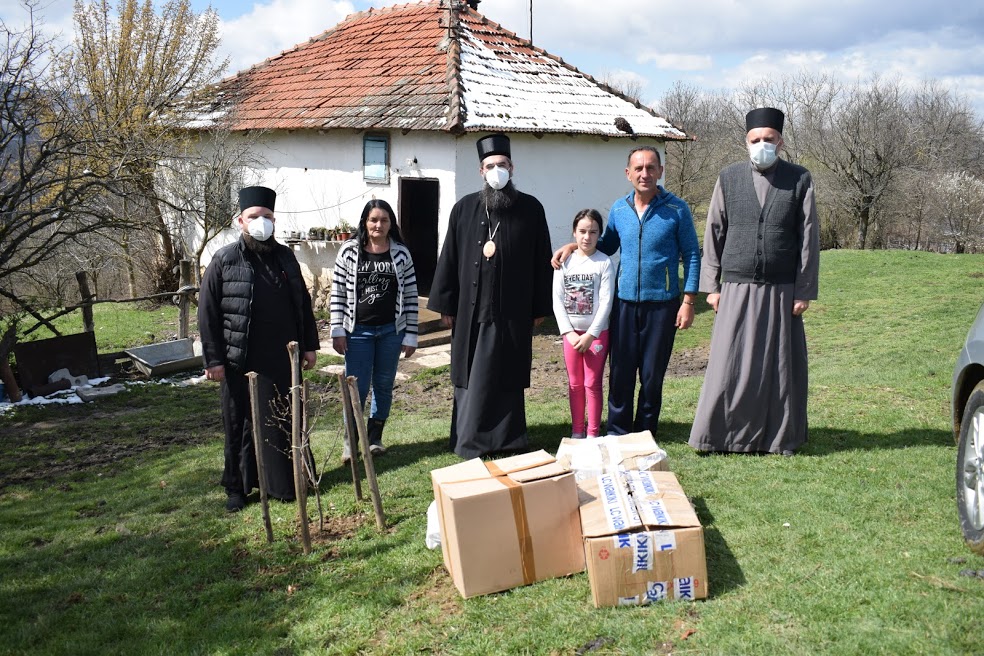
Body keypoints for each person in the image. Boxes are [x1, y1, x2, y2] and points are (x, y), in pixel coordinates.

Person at [688, 107, 819, 455]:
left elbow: (808, 237)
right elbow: (714, 232)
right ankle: (718, 436)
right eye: (756, 139)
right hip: (735, 286)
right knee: (728, 364)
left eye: (769, 139)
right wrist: (711, 288)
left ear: (781, 141)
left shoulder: (800, 178)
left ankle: (777, 438)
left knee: (778, 365)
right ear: (746, 142)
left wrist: (804, 290)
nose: (763, 144)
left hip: (781, 289)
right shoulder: (728, 178)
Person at [552, 146, 700, 435]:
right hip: (624, 304)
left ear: (660, 171)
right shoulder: (620, 209)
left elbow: (692, 254)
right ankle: (618, 430)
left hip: (662, 304)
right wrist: (573, 246)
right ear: (628, 173)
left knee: (651, 374)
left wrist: (689, 300)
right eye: (639, 168)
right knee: (620, 372)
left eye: (651, 167)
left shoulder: (676, 209)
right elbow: (605, 246)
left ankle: (645, 430)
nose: (645, 173)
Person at [427, 133, 553, 459]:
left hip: (513, 311)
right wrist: (445, 304)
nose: (496, 170)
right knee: (472, 374)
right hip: (471, 313)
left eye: (502, 164)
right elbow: (449, 258)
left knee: (507, 374)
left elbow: (543, 262)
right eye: (490, 165)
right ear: (481, 172)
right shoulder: (464, 209)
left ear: (512, 168)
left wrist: (540, 306)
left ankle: (509, 439)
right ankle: (470, 440)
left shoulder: (531, 209)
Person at [198, 186, 321, 512]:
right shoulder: (224, 260)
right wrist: (214, 360)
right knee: (239, 424)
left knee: (283, 419)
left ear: (274, 220)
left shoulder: (285, 257)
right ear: (241, 220)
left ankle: (286, 483)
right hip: (239, 358)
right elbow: (207, 313)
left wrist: (309, 346)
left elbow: (302, 305)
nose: (260, 222)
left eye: (266, 217)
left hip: (282, 358)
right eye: (254, 217)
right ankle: (237, 489)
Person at [330, 199, 418, 464]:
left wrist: (411, 333)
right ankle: (350, 443)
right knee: (356, 387)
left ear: (391, 223)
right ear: (365, 222)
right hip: (357, 332)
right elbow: (338, 292)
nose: (378, 225)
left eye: (384, 220)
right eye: (373, 220)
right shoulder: (348, 251)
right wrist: (337, 329)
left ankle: (374, 439)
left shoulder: (401, 253)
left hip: (391, 331)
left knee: (383, 385)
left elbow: (412, 296)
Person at [552, 209, 615, 439]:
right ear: (574, 232)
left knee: (592, 383)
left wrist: (591, 334)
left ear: (599, 234)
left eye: (593, 232)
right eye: (582, 231)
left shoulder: (604, 263)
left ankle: (593, 434)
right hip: (571, 335)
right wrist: (568, 332)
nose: (587, 237)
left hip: (596, 335)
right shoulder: (564, 262)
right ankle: (577, 431)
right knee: (575, 384)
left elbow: (607, 301)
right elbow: (557, 299)